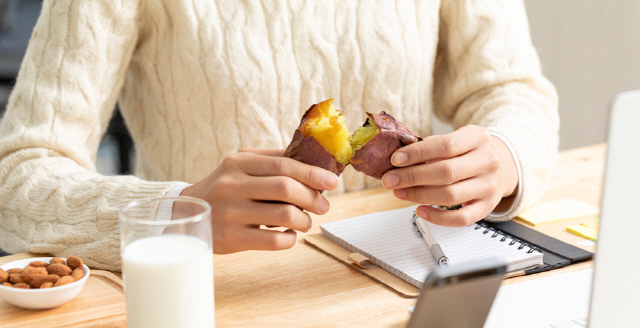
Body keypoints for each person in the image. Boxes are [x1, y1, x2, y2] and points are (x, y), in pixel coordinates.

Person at [0, 0, 558, 270]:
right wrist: (175, 214)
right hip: (214, 306)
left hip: (413, 287)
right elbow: (18, 178)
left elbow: (512, 89)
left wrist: (505, 153)